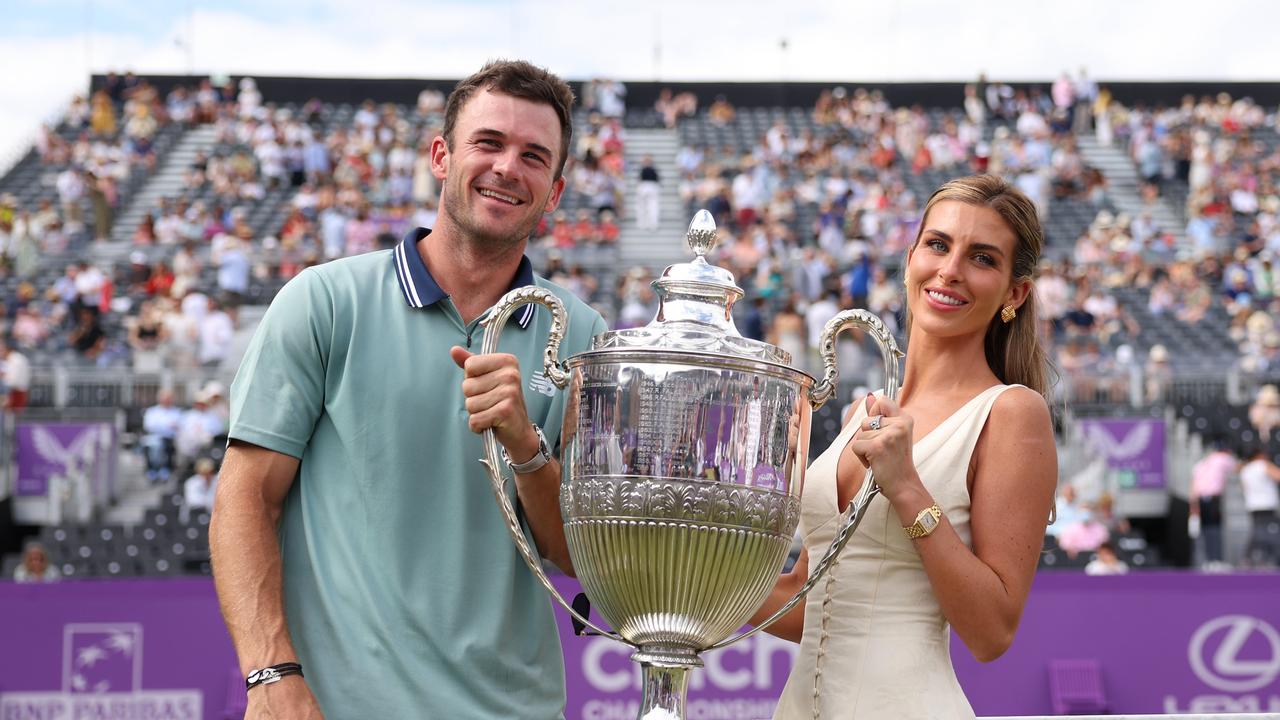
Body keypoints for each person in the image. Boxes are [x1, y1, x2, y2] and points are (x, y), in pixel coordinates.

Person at [210, 60, 606, 719]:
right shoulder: (325, 301)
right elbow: (245, 501)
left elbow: (579, 559)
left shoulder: (585, 334)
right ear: (441, 157)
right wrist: (270, 673)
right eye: (489, 143)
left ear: (556, 190)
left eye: (534, 156)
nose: (509, 167)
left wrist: (527, 448)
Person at [753, 175, 1057, 719]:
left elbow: (991, 632)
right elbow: (809, 604)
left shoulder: (1011, 413)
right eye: (938, 245)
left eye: (982, 258)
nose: (950, 270)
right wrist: (686, 581)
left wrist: (908, 488)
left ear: (1015, 293)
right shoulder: (860, 414)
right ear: (911, 255)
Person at [1190, 440, 1236, 571]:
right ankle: (1216, 560)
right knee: (1214, 530)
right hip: (1213, 500)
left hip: (1200, 500)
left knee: (1205, 531)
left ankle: (1209, 560)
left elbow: (1193, 485)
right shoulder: (1223, 458)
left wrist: (1193, 505)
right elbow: (1237, 468)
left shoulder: (1201, 463)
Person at [1239, 445, 1280, 567]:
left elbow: (1243, 488)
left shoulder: (1245, 470)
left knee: (1256, 532)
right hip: (1266, 505)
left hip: (1253, 506)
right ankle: (1269, 558)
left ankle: (1248, 558)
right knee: (1271, 533)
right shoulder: (1262, 465)